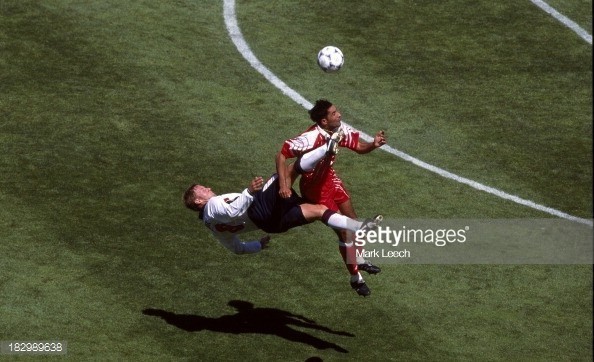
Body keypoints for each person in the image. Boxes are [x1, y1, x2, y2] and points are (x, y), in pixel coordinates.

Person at [276, 99, 387, 297]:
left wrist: (373, 145)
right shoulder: (310, 138)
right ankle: (356, 278)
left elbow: (359, 147)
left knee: (352, 219)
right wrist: (284, 185)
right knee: (344, 232)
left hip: (330, 179)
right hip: (314, 188)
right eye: (334, 113)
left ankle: (358, 259)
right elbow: (281, 155)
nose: (339, 115)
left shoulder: (339, 129)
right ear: (324, 121)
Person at [183, 173, 382, 269]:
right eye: (203, 189)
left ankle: (358, 234)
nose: (208, 187)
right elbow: (234, 211)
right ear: (199, 201)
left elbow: (237, 248)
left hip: (270, 224)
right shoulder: (213, 205)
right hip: (261, 210)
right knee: (284, 171)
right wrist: (249, 191)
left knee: (320, 211)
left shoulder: (212, 227)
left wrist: (258, 245)